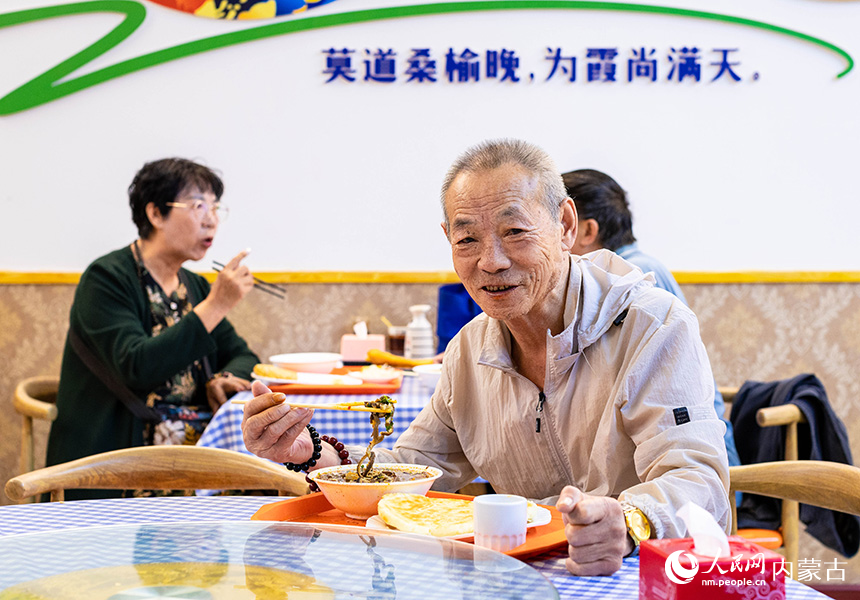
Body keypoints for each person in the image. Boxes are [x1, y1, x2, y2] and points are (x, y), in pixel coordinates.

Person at [242, 139, 729, 576]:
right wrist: (310, 452)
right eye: (467, 238)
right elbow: (412, 467)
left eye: (515, 231)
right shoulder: (471, 347)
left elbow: (696, 476)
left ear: (564, 224)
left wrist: (626, 522)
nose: (490, 261)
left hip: (636, 574)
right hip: (520, 578)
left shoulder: (652, 325)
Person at [46, 158, 260, 498]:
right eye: (197, 205)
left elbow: (244, 356)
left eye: (216, 207)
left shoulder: (194, 285)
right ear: (155, 214)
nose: (211, 219)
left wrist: (223, 377)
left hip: (192, 454)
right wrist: (217, 305)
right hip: (118, 461)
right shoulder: (106, 278)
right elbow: (137, 367)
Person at [563, 168, 741, 468]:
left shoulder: (632, 279)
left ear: (587, 231)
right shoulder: (633, 267)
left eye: (560, 224)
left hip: (696, 464)